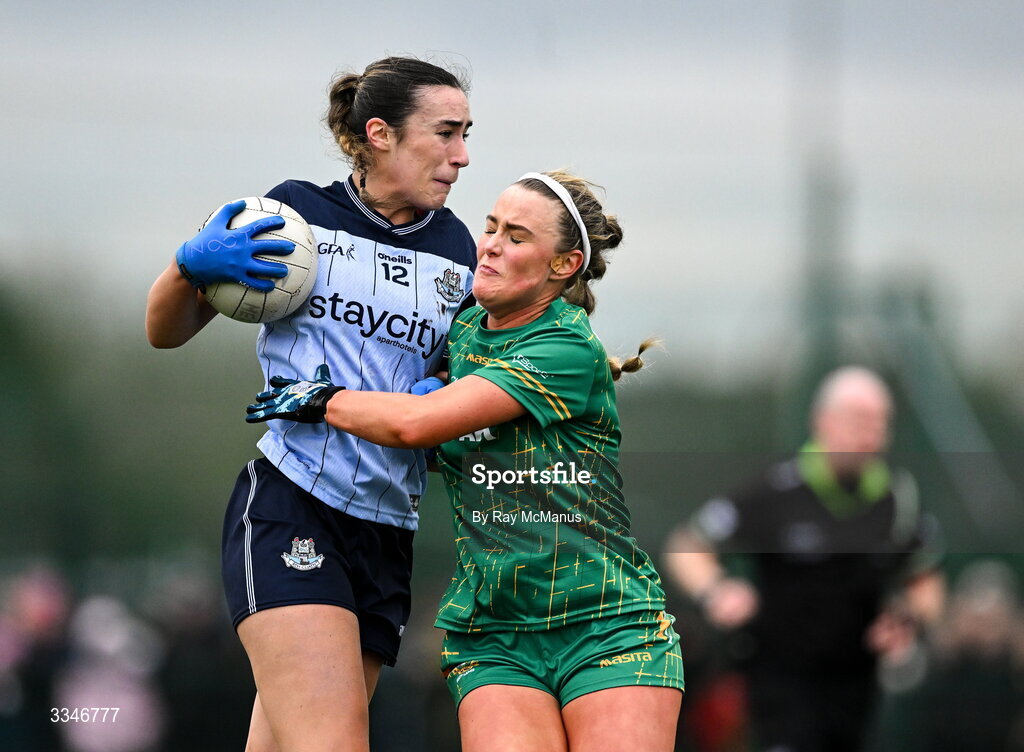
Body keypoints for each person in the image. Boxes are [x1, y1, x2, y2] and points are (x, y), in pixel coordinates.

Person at [245, 170, 685, 751]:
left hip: (605, 625)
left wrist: (322, 398)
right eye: (491, 227)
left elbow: (413, 424)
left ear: (564, 265)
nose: (492, 245)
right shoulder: (466, 331)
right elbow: (434, 439)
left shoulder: (565, 347)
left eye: (518, 236)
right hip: (492, 632)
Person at [145, 57, 475, 752]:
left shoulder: (459, 250)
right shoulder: (293, 217)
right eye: (446, 133)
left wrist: (448, 398)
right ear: (380, 133)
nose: (462, 156)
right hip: (293, 503)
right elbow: (164, 333)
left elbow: (456, 395)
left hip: (389, 531)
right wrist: (187, 267)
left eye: (466, 134)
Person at [663, 366, 945, 752]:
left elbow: (926, 579)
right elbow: (687, 546)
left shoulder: (898, 502)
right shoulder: (775, 491)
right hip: (780, 682)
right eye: (860, 420)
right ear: (823, 422)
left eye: (882, 421)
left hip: (858, 689)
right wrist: (717, 591)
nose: (872, 433)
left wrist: (909, 617)